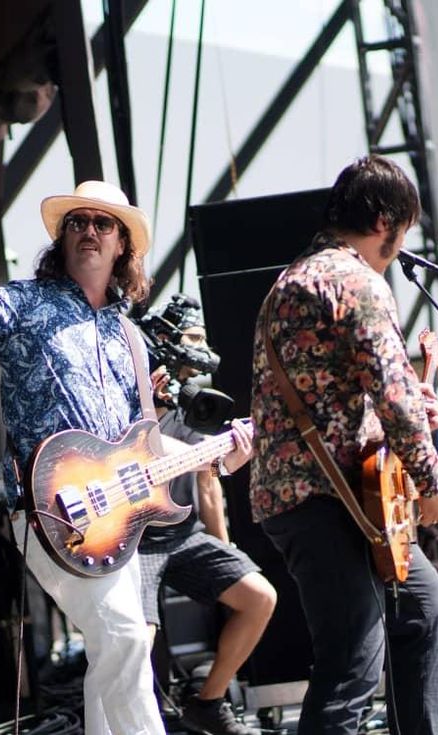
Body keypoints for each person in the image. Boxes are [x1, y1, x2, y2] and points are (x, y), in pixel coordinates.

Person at [0, 180, 250, 735]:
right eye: (78, 222)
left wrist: (215, 454)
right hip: (47, 510)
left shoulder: (128, 337)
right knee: (122, 635)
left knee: (121, 643)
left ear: (122, 247)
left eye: (103, 223)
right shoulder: (23, 302)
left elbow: (145, 443)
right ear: (63, 238)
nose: (89, 231)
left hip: (114, 515)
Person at [250, 156, 438, 735]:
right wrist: (431, 484)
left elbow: (342, 394)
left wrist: (413, 407)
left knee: (423, 609)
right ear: (386, 218)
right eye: (404, 229)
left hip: (323, 497)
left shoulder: (291, 281)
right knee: (351, 665)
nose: (401, 245)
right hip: (325, 501)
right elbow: (391, 397)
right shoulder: (358, 282)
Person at [138, 305, 276, 735]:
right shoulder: (134, 389)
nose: (199, 349)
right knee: (136, 642)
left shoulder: (197, 400)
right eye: (192, 338)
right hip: (132, 539)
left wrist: (224, 551)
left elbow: (208, 481)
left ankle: (208, 702)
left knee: (259, 597)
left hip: (182, 535)